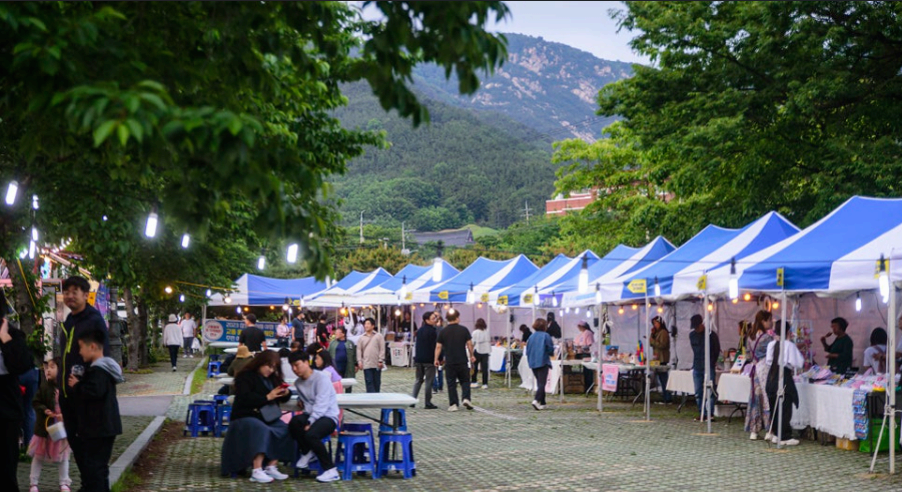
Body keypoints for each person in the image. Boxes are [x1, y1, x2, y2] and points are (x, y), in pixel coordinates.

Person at [57, 276, 109, 492]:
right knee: (80, 454)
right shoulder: (69, 320)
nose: (70, 295)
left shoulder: (93, 320)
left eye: (74, 291)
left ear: (86, 294)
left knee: (93, 460)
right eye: (66, 291)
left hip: (86, 397)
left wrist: (84, 385)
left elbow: (99, 358)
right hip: (68, 397)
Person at [221, 351, 293, 483]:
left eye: (273, 367)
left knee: (286, 429)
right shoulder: (245, 376)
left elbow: (283, 396)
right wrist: (267, 397)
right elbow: (244, 398)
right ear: (260, 363)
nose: (270, 370)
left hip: (267, 416)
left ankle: (271, 465)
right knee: (261, 430)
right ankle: (257, 469)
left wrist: (286, 392)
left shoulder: (272, 378)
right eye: (268, 366)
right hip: (246, 415)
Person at [67, 326, 124, 492]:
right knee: (99, 469)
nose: (80, 352)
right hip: (105, 427)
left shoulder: (98, 371)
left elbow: (94, 392)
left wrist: (77, 386)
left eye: (81, 347)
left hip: (99, 428)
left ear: (92, 346)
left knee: (95, 469)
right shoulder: (104, 369)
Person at [288, 351, 341, 483]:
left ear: (307, 363)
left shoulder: (321, 378)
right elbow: (306, 399)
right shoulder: (298, 383)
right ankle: (307, 452)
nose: (295, 369)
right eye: (292, 366)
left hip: (328, 416)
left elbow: (321, 404)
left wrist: (311, 422)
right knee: (294, 423)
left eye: (297, 365)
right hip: (311, 414)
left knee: (311, 434)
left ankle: (331, 470)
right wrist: (300, 399)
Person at [1, 312, 35, 492]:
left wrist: (6, 339)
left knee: (7, 466)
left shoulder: (13, 335)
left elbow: (22, 365)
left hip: (7, 409)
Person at [28, 358, 72, 492]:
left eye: (52, 367)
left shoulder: (65, 387)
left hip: (61, 427)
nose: (48, 370)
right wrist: (44, 410)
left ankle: (64, 482)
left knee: (63, 456)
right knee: (39, 455)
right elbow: (36, 402)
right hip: (45, 428)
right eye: (47, 368)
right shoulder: (44, 387)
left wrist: (64, 415)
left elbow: (71, 405)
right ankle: (33, 483)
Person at [764, 336, 803, 446]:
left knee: (774, 406)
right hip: (783, 374)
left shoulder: (771, 344)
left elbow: (768, 361)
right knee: (785, 406)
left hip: (771, 376)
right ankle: (784, 435)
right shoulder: (789, 345)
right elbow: (798, 362)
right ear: (788, 332)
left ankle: (776, 433)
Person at [435, 310, 475, 412]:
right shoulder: (464, 330)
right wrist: (472, 355)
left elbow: (438, 347)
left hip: (450, 361)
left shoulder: (443, 331)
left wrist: (436, 359)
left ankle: (453, 404)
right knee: (465, 381)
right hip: (462, 360)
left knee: (451, 383)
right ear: (457, 318)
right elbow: (470, 344)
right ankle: (466, 398)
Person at [689, 314, 720, 422]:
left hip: (708, 366)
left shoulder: (711, 335)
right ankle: (702, 412)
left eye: (697, 326)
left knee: (710, 390)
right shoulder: (692, 335)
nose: (696, 329)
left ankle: (709, 413)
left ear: (702, 324)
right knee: (698, 391)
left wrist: (712, 362)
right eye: (695, 327)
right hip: (697, 366)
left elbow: (717, 349)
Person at [411, 311, 439, 409]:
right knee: (428, 381)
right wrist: (437, 358)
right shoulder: (432, 331)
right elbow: (435, 346)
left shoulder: (419, 330)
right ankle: (427, 402)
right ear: (427, 320)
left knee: (418, 380)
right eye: (433, 318)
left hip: (419, 359)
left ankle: (412, 400)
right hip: (429, 359)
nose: (435, 320)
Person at [526, 318, 554, 411]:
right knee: (542, 383)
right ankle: (536, 400)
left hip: (533, 362)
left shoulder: (531, 336)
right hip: (543, 361)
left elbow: (527, 350)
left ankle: (543, 402)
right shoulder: (546, 335)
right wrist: (551, 353)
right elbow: (550, 348)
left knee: (539, 382)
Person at [356, 318, 385, 393]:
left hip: (376, 364)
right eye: (365, 324)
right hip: (366, 364)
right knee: (369, 382)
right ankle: (370, 399)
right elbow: (359, 350)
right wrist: (359, 361)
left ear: (372, 326)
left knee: (377, 382)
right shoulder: (361, 338)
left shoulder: (378, 336)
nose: (366, 325)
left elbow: (382, 348)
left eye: (368, 324)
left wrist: (381, 360)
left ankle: (376, 398)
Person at [648, 316, 672, 404]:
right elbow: (651, 343)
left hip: (662, 357)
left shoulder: (663, 332)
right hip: (657, 358)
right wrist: (652, 334)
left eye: (656, 323)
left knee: (663, 378)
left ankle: (668, 397)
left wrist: (653, 341)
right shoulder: (657, 332)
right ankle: (665, 396)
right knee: (660, 378)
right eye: (654, 323)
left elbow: (663, 345)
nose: (655, 325)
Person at [327, 326, 357, 392]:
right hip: (336, 367)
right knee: (336, 385)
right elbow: (327, 354)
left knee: (348, 384)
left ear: (343, 334)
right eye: (336, 332)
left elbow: (354, 355)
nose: (336, 334)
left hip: (348, 367)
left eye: (338, 332)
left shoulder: (350, 343)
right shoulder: (332, 343)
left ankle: (348, 399)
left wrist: (356, 364)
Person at [470, 318, 490, 389]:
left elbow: (472, 343)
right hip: (486, 350)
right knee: (485, 368)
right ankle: (485, 383)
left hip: (477, 350)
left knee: (474, 367)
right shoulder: (487, 331)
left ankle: (474, 381)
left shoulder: (475, 332)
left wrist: (471, 353)